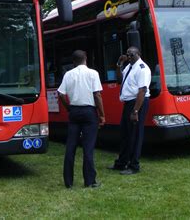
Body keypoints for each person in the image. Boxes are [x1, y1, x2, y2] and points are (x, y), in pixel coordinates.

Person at [58, 50, 105, 188]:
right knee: (88, 147)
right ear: (86, 59)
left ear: (73, 61)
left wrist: (68, 107)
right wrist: (102, 114)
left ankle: (68, 181)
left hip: (74, 111)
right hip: (89, 112)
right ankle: (89, 181)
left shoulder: (68, 74)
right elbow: (97, 95)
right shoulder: (93, 73)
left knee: (70, 147)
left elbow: (60, 94)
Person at [108, 46, 151, 175]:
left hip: (137, 103)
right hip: (129, 103)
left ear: (138, 54)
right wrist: (119, 64)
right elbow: (120, 80)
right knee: (125, 133)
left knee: (135, 134)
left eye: (131, 54)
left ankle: (134, 165)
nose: (129, 56)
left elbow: (142, 91)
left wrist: (135, 111)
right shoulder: (129, 66)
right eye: (127, 54)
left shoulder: (142, 68)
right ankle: (122, 162)